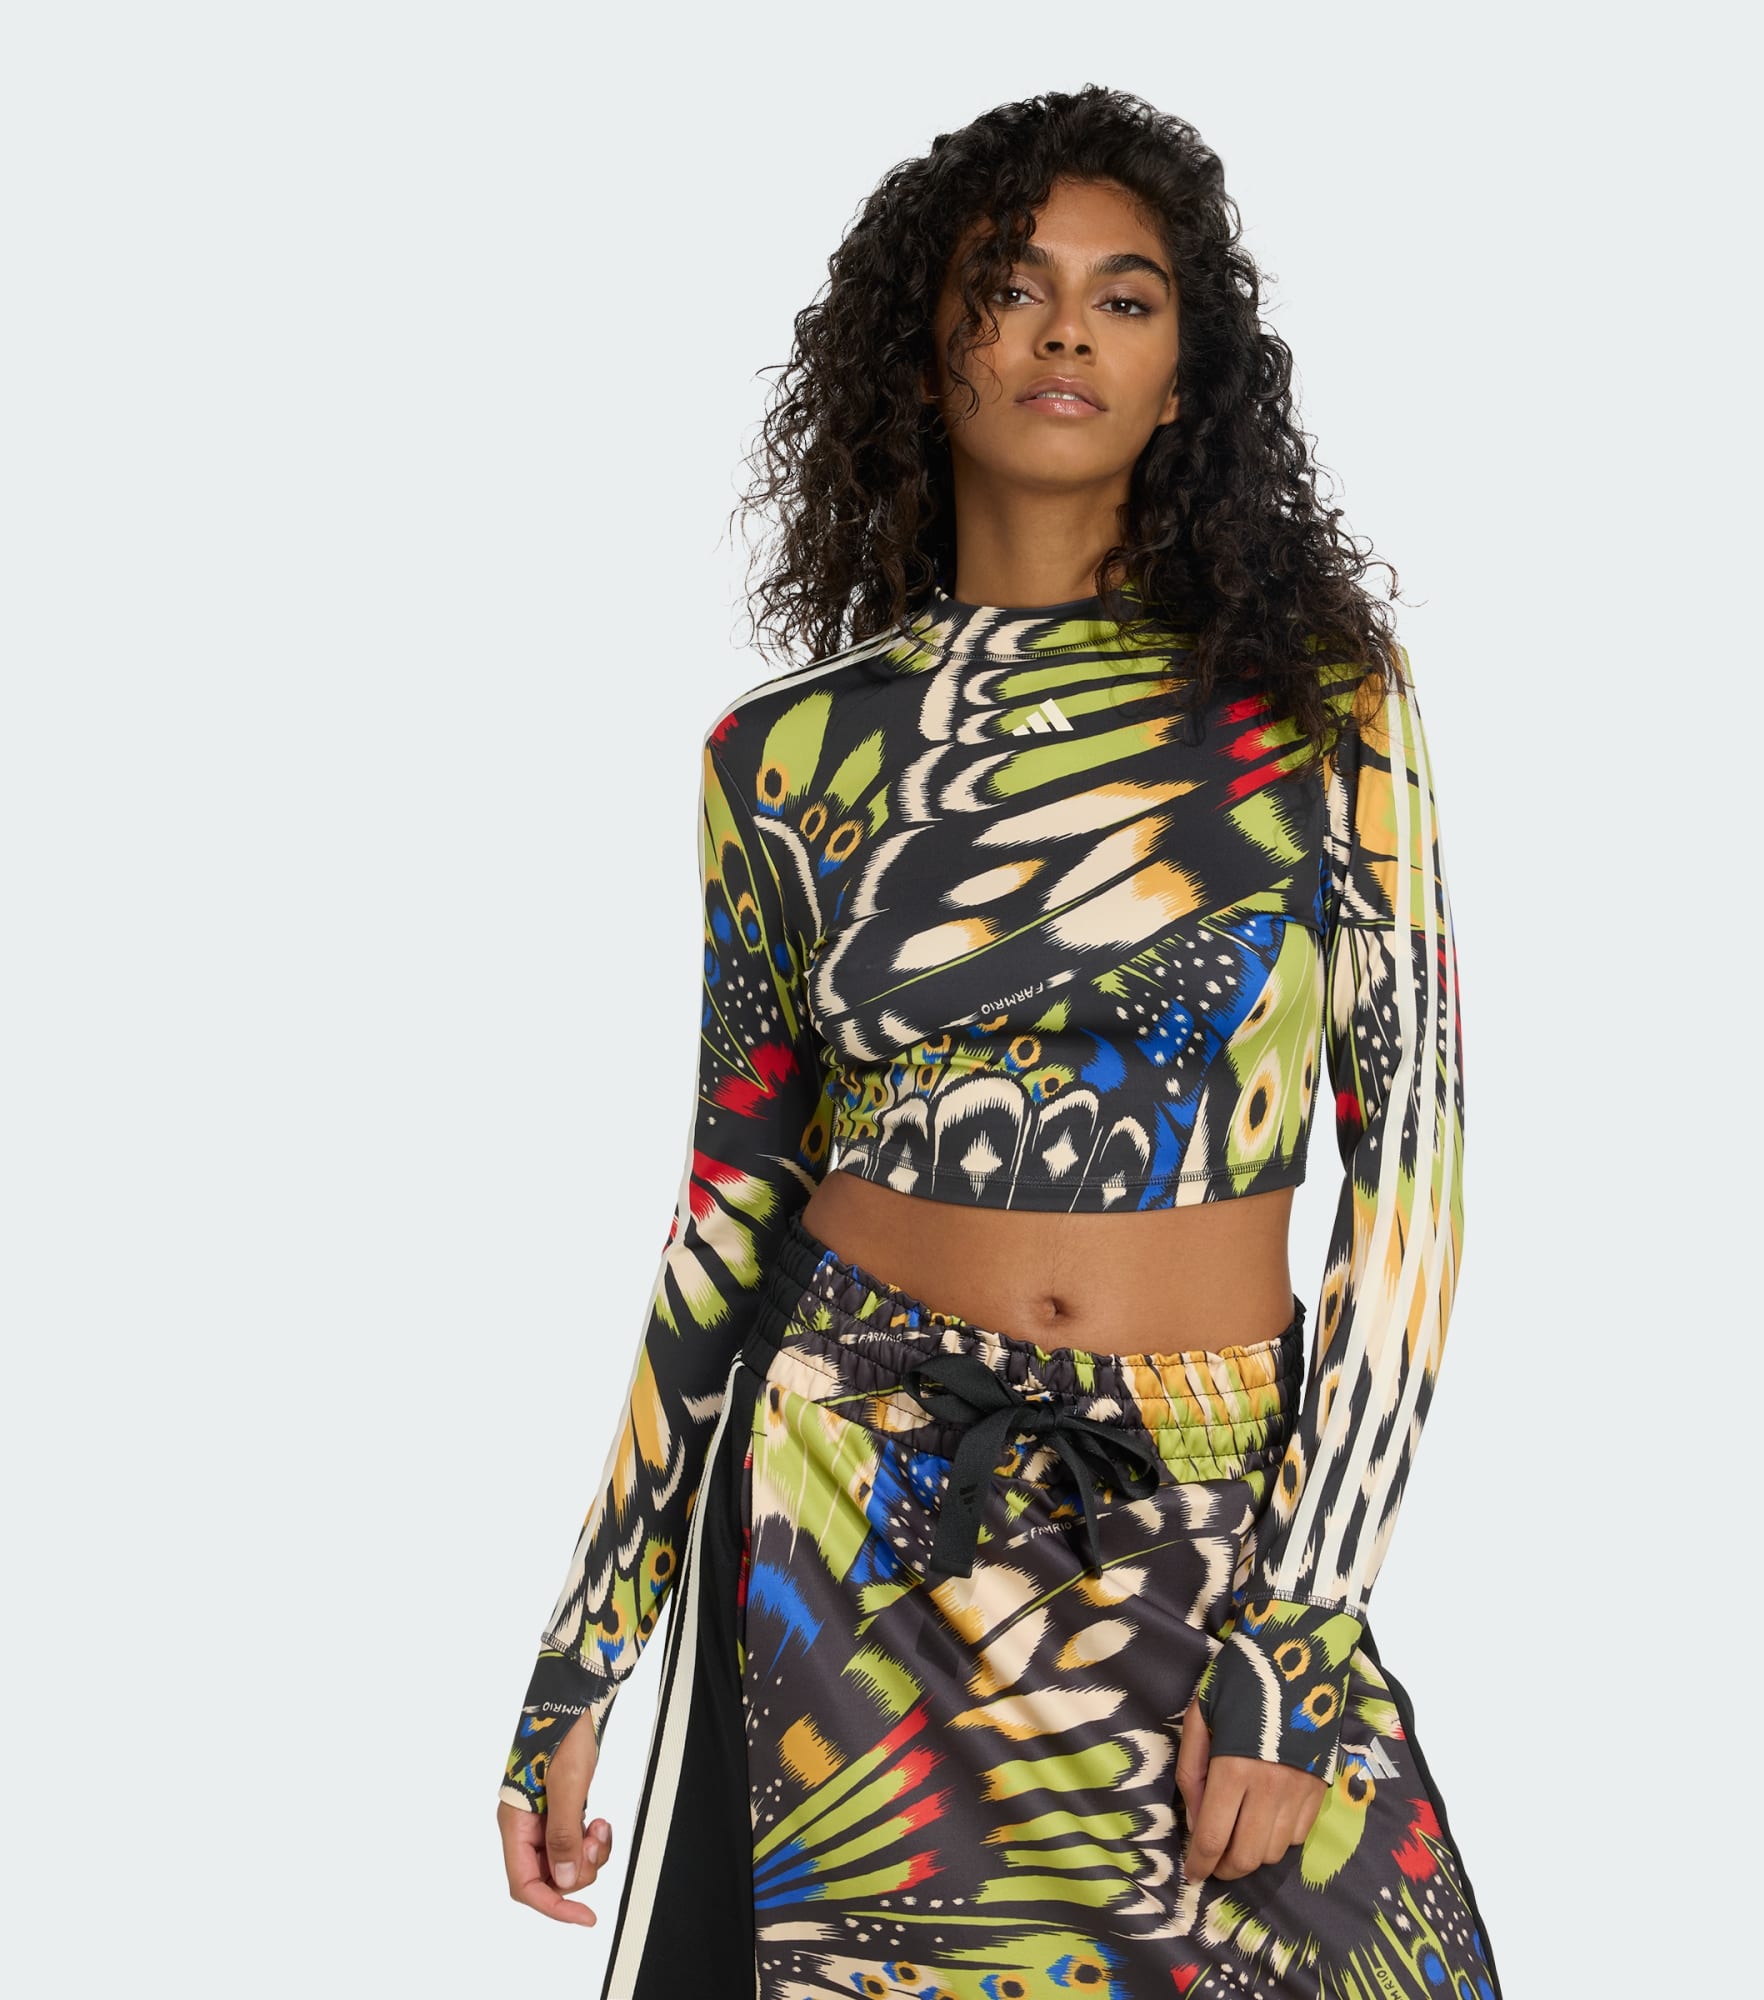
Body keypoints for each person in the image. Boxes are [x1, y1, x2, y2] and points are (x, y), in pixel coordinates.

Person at [496, 84, 1502, 2000]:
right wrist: (585, 1651)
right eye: (1012, 288)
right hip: (850, 1509)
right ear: (923, 351)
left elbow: (1415, 1188)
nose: (1067, 332)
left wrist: (1301, 1632)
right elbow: (728, 1217)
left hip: (1206, 1513)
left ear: (1186, 380)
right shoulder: (781, 758)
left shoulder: (1321, 708)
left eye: (1126, 299)